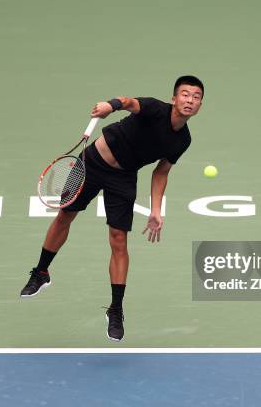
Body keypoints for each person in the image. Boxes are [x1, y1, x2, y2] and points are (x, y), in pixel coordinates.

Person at [21, 75, 204, 341]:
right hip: (91, 163)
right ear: (174, 98)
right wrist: (111, 105)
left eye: (196, 97)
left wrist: (155, 209)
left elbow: (161, 172)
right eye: (185, 94)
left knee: (119, 241)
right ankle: (41, 273)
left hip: (124, 177)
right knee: (65, 216)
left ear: (200, 106)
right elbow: (129, 102)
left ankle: (116, 309)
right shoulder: (155, 109)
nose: (190, 100)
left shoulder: (182, 140)